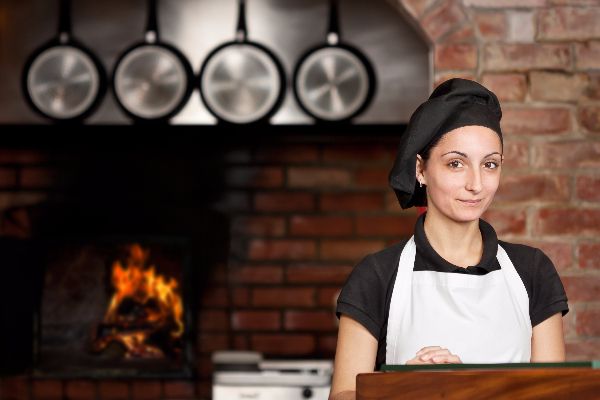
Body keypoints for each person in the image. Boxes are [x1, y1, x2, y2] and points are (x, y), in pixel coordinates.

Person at [329, 78, 569, 400]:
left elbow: (554, 396)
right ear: (421, 170)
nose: (476, 184)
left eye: (490, 165)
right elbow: (342, 394)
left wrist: (465, 387)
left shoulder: (532, 271)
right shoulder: (377, 276)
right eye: (456, 163)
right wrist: (401, 390)